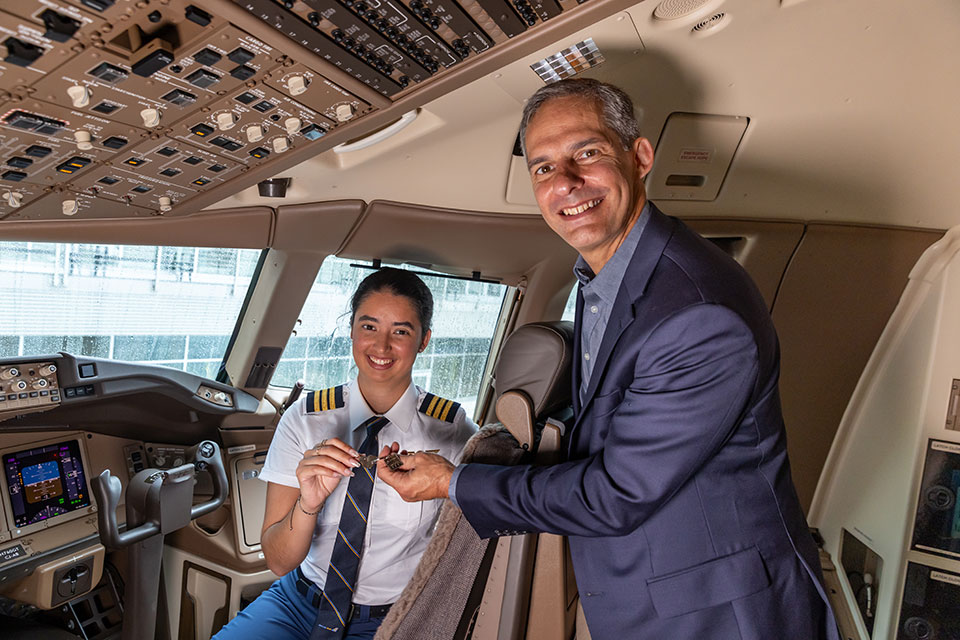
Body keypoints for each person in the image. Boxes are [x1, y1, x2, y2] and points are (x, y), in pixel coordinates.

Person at [379, 79, 840, 639]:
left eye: (587, 153)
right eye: (543, 167)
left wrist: (453, 483)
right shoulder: (606, 277)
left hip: (719, 614)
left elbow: (617, 494)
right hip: (652, 596)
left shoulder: (698, 314)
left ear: (640, 157)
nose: (565, 182)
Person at [214, 268, 477, 640]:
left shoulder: (453, 431)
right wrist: (308, 503)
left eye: (400, 332)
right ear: (352, 330)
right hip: (298, 604)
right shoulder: (304, 419)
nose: (381, 346)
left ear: (423, 341)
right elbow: (278, 561)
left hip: (393, 617)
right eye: (369, 327)